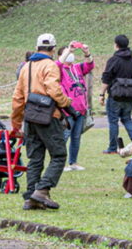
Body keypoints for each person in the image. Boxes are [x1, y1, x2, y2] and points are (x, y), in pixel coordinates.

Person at [11, 33, 72, 210]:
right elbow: (54, 90)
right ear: (53, 49)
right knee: (59, 155)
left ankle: (31, 198)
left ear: (37, 47)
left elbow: (17, 97)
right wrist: (66, 102)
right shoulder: (50, 65)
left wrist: (16, 122)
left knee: (35, 158)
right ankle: (43, 190)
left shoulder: (26, 67)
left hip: (30, 117)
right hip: (48, 116)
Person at [56, 42, 94, 172]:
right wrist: (68, 50)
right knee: (64, 136)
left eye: (72, 54)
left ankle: (73, 162)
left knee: (76, 137)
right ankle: (58, 163)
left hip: (81, 109)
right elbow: (57, 64)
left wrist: (86, 52)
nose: (71, 56)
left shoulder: (76, 68)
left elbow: (89, 65)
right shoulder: (59, 69)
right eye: (68, 54)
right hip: (68, 110)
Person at [99, 34, 132, 154]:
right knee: (127, 118)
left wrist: (101, 94)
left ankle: (112, 147)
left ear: (116, 45)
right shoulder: (131, 59)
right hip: (130, 94)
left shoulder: (114, 59)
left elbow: (106, 78)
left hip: (116, 94)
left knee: (113, 121)